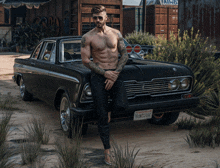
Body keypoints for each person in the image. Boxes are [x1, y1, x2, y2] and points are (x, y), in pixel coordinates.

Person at [81, 5, 128, 165]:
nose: (97, 20)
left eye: (100, 17)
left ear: (106, 18)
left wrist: (114, 75)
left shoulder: (116, 33)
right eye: (95, 17)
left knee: (122, 104)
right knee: (101, 115)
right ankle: (107, 151)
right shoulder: (87, 37)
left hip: (114, 74)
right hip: (99, 76)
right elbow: (86, 61)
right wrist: (105, 73)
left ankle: (109, 111)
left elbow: (125, 55)